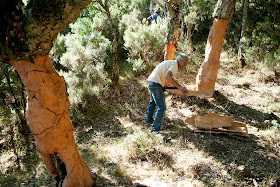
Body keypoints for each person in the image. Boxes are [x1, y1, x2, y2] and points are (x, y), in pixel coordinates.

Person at [146, 54, 189, 135]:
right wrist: (179, 87)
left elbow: (163, 74)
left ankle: (148, 121)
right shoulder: (175, 64)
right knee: (162, 107)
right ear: (180, 60)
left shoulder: (170, 63)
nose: (185, 65)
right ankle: (154, 130)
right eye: (185, 63)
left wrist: (164, 85)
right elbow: (168, 76)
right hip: (155, 83)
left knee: (153, 103)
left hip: (150, 81)